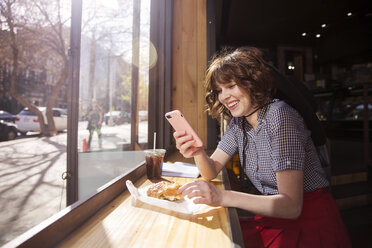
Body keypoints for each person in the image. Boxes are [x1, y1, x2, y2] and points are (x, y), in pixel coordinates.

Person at [174, 47, 351, 248]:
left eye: (231, 86)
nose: (224, 96)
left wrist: (222, 196)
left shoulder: (280, 116)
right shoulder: (238, 123)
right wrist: (197, 151)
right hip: (273, 216)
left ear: (252, 83)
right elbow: (211, 170)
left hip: (309, 222)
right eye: (219, 90)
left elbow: (291, 206)